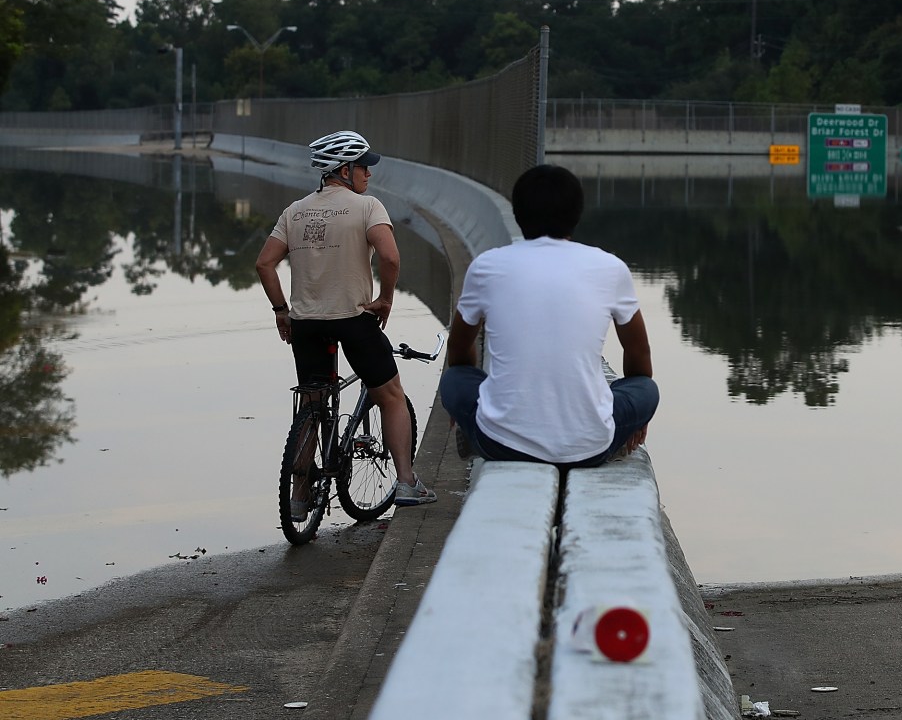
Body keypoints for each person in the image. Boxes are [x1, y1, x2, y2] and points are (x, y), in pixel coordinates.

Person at [255, 130, 436, 515]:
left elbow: (264, 264)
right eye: (364, 167)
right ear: (344, 170)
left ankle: (301, 496)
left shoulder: (295, 211)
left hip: (305, 324)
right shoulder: (368, 207)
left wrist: (280, 311)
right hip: (354, 319)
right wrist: (385, 298)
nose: (369, 175)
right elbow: (389, 258)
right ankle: (406, 482)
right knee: (390, 396)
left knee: (312, 401)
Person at [441, 164, 659, 467]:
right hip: (590, 448)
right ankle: (611, 430)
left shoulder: (487, 266)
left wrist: (476, 400)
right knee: (645, 389)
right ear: (577, 214)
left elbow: (459, 347)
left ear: (518, 214)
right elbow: (638, 352)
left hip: (501, 444)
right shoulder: (610, 267)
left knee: (454, 379)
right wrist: (639, 416)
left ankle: (475, 427)